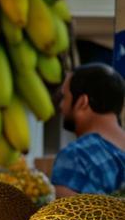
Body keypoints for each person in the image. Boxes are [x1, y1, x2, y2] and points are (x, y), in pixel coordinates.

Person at [52, 63, 125, 197]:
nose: (61, 106)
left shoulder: (76, 155)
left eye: (65, 97)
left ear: (83, 102)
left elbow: (63, 215)